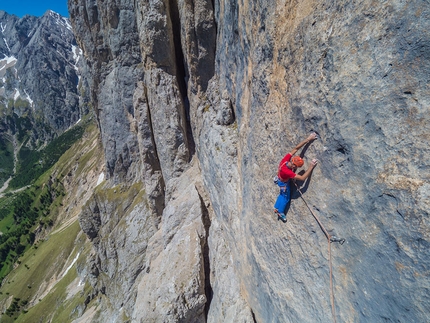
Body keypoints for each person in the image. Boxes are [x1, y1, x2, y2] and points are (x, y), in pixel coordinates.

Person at [274, 133, 318, 222]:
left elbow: (296, 148)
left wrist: (308, 138)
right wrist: (311, 166)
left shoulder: (286, 159)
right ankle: (280, 212)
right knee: (285, 198)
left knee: (281, 194)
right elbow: (302, 178)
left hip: (279, 180)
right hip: (284, 184)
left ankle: (276, 207)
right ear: (294, 166)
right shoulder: (288, 172)